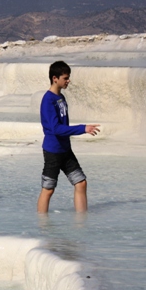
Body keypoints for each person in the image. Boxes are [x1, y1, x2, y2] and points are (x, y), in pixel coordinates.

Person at [37, 61, 100, 213]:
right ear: (55, 78)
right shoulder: (48, 100)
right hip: (53, 151)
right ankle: (42, 225)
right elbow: (55, 129)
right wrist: (82, 128)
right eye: (65, 78)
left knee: (81, 183)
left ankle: (81, 221)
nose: (68, 81)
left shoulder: (61, 98)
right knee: (48, 189)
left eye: (68, 77)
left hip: (65, 149)